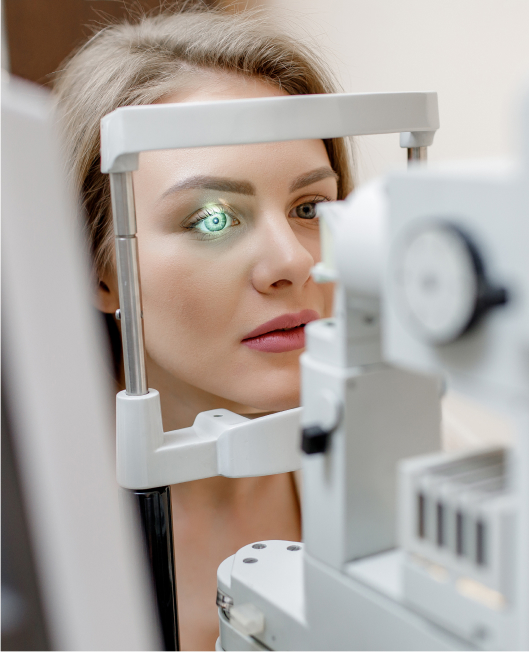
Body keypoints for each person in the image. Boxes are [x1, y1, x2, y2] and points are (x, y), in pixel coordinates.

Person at [53, 6, 353, 650]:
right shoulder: (37, 534)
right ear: (99, 269)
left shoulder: (386, 468)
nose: (294, 262)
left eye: (310, 206)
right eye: (214, 218)